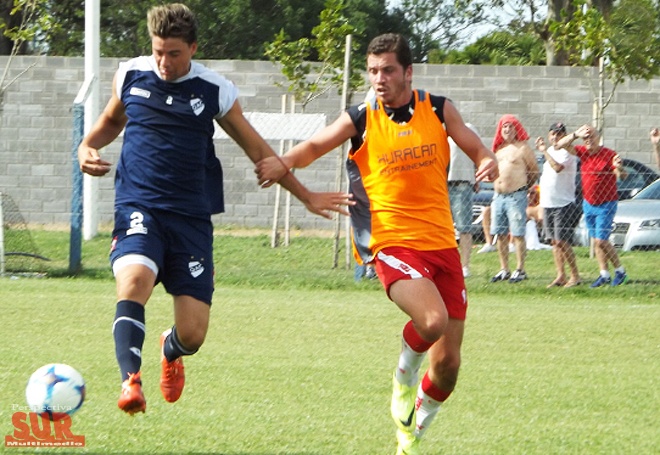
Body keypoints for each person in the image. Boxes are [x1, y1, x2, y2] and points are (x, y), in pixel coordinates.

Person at [77, 3, 352, 416]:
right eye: (157, 52)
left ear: (193, 48)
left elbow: (259, 151)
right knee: (134, 281)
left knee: (194, 333)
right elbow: (111, 122)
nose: (164, 63)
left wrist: (306, 195)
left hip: (190, 218)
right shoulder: (131, 74)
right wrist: (85, 146)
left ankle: (171, 351)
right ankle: (129, 381)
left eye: (174, 54)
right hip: (140, 205)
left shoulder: (213, 90)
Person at [255, 33, 498, 455]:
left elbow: (474, 145)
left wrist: (486, 159)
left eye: (387, 70)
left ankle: (414, 432)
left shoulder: (437, 108)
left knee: (448, 366)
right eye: (372, 71)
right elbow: (316, 144)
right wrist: (286, 161)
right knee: (432, 320)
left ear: (408, 72)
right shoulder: (362, 117)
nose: (379, 79)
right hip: (392, 243)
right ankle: (402, 383)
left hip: (441, 244)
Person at [555, 124, 628, 287]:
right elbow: (559, 145)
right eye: (586, 138)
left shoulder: (609, 154)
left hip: (606, 203)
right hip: (589, 203)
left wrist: (619, 167)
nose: (588, 140)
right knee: (596, 241)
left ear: (598, 138)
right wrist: (575, 134)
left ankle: (620, 271)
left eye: (591, 137)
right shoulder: (583, 152)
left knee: (602, 241)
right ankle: (604, 274)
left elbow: (622, 176)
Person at [489, 114, 539, 283]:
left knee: (517, 233)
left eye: (510, 126)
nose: (507, 130)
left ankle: (520, 269)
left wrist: (523, 186)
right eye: (504, 127)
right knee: (500, 234)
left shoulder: (523, 148)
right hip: (498, 197)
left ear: (517, 129)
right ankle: (504, 269)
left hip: (516, 196)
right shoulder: (498, 149)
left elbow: (533, 171)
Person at [535, 122, 581, 288]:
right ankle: (560, 275)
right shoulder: (550, 152)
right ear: (549, 135)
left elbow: (557, 167)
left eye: (559, 134)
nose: (555, 137)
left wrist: (543, 151)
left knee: (562, 241)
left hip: (563, 203)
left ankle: (575, 275)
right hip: (548, 202)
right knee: (554, 242)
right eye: (553, 134)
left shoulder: (567, 152)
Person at [447, 123, 481, 277]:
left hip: (462, 183)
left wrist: (476, 178)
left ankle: (465, 266)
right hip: (441, 185)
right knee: (443, 230)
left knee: (464, 228)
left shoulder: (468, 129)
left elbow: (478, 152)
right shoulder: (436, 131)